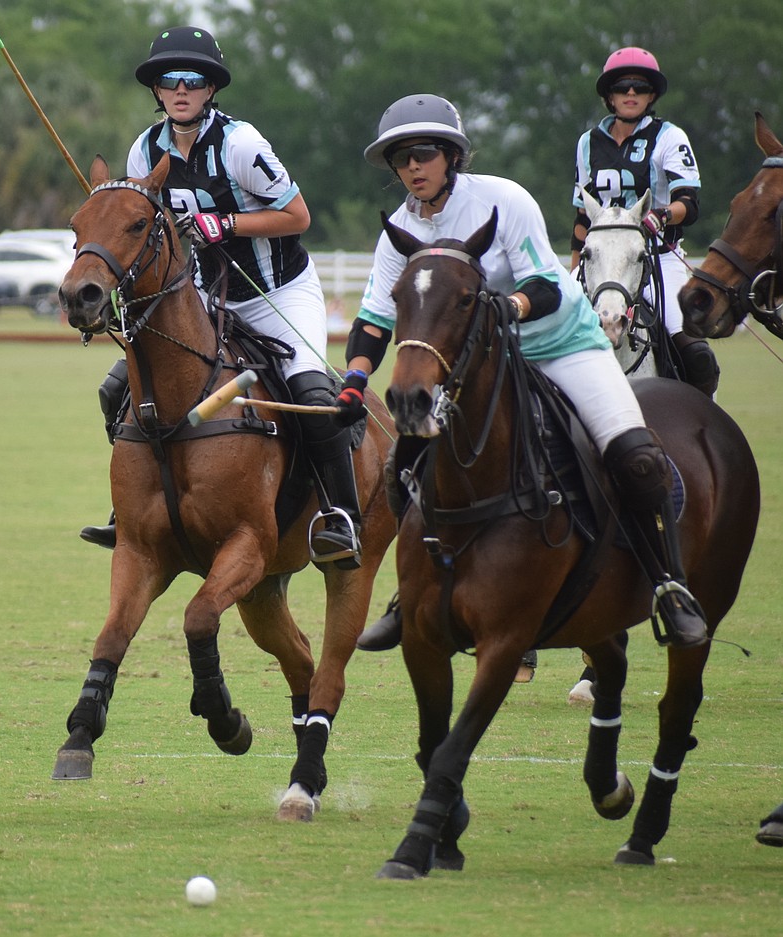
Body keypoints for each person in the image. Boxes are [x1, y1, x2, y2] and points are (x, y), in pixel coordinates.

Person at [340, 93, 708, 654]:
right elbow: (373, 318)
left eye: (423, 152)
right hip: (480, 366)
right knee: (404, 463)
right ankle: (409, 592)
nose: (412, 167)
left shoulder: (502, 200)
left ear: (451, 155)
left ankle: (668, 584)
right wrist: (355, 380)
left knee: (634, 455)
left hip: (561, 345)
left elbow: (543, 282)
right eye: (400, 158)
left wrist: (505, 309)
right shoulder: (399, 228)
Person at [80, 27, 361, 568]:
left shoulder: (241, 144)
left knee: (313, 396)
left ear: (211, 88)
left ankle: (340, 519)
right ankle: (132, 511)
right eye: (170, 81)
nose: (181, 90)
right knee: (118, 386)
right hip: (204, 297)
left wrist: (225, 223)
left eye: (194, 80)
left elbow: (298, 217)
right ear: (157, 92)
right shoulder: (146, 147)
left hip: (279, 292)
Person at [571, 46, 719, 398]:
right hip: (600, 261)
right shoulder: (587, 143)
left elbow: (689, 202)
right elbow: (581, 216)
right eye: (622, 87)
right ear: (610, 96)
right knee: (545, 335)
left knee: (695, 353)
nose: (631, 93)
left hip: (656, 257)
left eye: (640, 86)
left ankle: (705, 423)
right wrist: (575, 271)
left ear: (652, 94)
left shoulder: (669, 136)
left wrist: (661, 215)